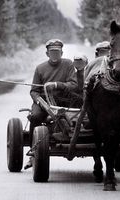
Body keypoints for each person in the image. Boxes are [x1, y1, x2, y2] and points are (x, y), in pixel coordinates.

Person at [24, 39, 78, 169]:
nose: (55, 55)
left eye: (57, 52)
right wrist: (40, 102)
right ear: (47, 53)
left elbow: (74, 85)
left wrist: (56, 85)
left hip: (64, 102)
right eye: (52, 52)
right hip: (44, 102)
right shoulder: (40, 68)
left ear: (62, 52)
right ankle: (33, 152)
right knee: (36, 116)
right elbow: (34, 91)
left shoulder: (68, 64)